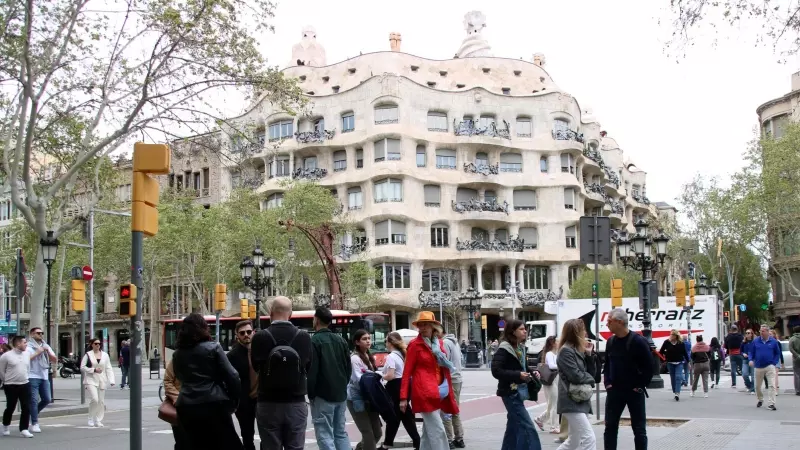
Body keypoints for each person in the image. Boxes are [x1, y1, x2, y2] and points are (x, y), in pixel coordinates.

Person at [173, 313, 243, 449]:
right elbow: (233, 376)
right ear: (203, 328)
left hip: (186, 405)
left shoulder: (177, 354)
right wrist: (233, 401)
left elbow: (179, 376)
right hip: (213, 404)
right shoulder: (213, 348)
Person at [251, 297, 312, 450]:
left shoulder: (260, 337)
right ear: (290, 314)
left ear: (271, 313)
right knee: (295, 446)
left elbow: (256, 366)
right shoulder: (303, 337)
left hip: (268, 402)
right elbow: (308, 366)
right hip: (296, 402)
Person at [400, 311, 458, 450]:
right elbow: (406, 372)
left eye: (426, 324)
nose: (423, 328)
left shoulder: (439, 343)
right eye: (420, 325)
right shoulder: (415, 345)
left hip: (438, 391)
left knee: (428, 431)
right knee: (438, 430)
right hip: (424, 393)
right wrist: (403, 397)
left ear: (433, 326)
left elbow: (444, 366)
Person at [603, 308, 653, 450]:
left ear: (619, 322)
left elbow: (649, 367)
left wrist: (640, 385)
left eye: (609, 321)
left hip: (634, 392)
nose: (607, 324)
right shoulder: (610, 342)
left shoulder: (638, 341)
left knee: (639, 430)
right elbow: (607, 365)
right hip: (614, 392)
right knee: (610, 428)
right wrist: (608, 383)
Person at [491, 319, 543, 450]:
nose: (525, 331)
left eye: (525, 328)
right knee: (527, 427)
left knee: (513, 427)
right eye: (521, 329)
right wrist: (518, 375)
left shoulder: (519, 348)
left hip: (517, 392)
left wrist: (532, 372)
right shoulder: (505, 348)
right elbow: (496, 370)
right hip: (510, 393)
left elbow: (521, 367)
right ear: (512, 332)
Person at [308, 307, 352, 450]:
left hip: (323, 395)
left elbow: (312, 371)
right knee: (340, 433)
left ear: (317, 319)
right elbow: (348, 368)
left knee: (324, 434)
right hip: (340, 394)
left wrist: (311, 393)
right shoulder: (341, 341)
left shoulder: (315, 341)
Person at [556, 319, 598, 450]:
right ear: (576, 333)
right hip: (571, 400)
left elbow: (591, 373)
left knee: (574, 441)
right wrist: (590, 379)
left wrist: (589, 355)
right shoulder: (566, 351)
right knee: (589, 438)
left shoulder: (577, 350)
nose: (586, 333)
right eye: (583, 330)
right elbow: (575, 376)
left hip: (579, 399)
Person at [381, 331, 420, 450]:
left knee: (396, 416)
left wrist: (379, 375)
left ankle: (388, 444)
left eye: (386, 341)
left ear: (390, 342)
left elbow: (391, 375)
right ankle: (416, 442)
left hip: (395, 386)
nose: (386, 343)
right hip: (405, 384)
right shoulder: (402, 354)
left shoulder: (391, 356)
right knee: (403, 416)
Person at [347, 329, 383, 450]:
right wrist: (376, 376)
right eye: (364, 339)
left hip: (370, 397)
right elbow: (358, 379)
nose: (368, 341)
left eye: (368, 338)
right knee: (368, 433)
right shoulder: (354, 358)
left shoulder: (369, 355)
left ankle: (359, 448)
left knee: (378, 433)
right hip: (357, 398)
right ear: (357, 342)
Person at [226, 320, 259, 450]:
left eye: (249, 332)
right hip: (244, 402)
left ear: (253, 332)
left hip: (261, 399)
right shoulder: (232, 356)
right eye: (242, 333)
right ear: (237, 335)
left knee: (267, 434)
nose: (246, 335)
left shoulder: (260, 350)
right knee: (247, 435)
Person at [0, 335, 33, 438]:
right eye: (24, 342)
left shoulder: (27, 354)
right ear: (18, 343)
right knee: (10, 407)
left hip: (25, 384)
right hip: (10, 385)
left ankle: (24, 429)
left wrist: (26, 378)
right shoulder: (6, 356)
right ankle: (5, 425)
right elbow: (1, 371)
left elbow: (28, 368)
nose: (26, 344)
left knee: (26, 407)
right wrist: (6, 381)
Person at [26, 327, 56, 432]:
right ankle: (35, 422)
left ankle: (32, 413)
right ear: (31, 334)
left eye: (42, 333)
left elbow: (54, 360)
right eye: (38, 333)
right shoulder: (28, 347)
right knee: (33, 400)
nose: (40, 335)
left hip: (44, 375)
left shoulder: (45, 346)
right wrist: (37, 352)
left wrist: (48, 352)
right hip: (32, 376)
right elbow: (25, 360)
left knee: (47, 399)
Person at [80, 338, 115, 427]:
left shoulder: (105, 355)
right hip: (90, 379)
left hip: (102, 380)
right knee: (95, 399)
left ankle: (98, 419)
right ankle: (90, 418)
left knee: (101, 401)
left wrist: (112, 380)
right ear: (91, 344)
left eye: (99, 343)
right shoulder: (88, 354)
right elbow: (82, 367)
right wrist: (93, 370)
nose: (98, 345)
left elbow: (108, 368)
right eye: (96, 343)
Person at [749, 324, 781, 410]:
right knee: (757, 386)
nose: (761, 332)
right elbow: (751, 352)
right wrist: (751, 359)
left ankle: (771, 403)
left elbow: (777, 353)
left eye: (763, 331)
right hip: (758, 366)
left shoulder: (773, 342)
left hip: (770, 366)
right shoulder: (756, 341)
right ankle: (760, 399)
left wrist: (774, 363)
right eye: (760, 331)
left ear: (767, 332)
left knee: (772, 385)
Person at [441, 330, 464, 448]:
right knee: (455, 409)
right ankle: (459, 438)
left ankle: (449, 440)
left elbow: (444, 362)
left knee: (446, 410)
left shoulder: (445, 342)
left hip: (450, 379)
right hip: (457, 378)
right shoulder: (455, 342)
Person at [163, 358, 190, 449]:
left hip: (200, 409)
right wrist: (179, 399)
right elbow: (168, 380)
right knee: (181, 442)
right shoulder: (177, 358)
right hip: (180, 409)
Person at [535, 336, 559, 434]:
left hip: (555, 380)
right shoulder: (549, 354)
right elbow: (552, 366)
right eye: (556, 341)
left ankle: (540, 419)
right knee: (554, 404)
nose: (558, 343)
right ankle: (554, 427)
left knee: (552, 404)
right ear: (552, 343)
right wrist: (561, 365)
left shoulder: (555, 354)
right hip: (551, 381)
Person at [659, 329, 688, 401]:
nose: (671, 336)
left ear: (676, 336)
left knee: (678, 377)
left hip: (679, 362)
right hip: (670, 363)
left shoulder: (681, 343)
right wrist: (663, 360)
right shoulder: (666, 342)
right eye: (670, 334)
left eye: (672, 334)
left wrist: (688, 361)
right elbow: (661, 352)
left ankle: (677, 393)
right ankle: (675, 391)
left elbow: (685, 353)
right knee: (673, 378)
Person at [723, 325, 745, 389]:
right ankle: (745, 382)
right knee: (742, 368)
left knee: (733, 369)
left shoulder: (728, 337)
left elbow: (725, 346)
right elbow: (743, 344)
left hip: (732, 354)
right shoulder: (740, 336)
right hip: (739, 353)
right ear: (737, 329)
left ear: (731, 329)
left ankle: (733, 384)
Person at [741, 329, 756, 393]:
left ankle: (753, 389)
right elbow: (740, 351)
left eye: (749, 333)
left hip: (753, 360)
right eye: (746, 333)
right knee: (744, 374)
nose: (747, 334)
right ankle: (749, 386)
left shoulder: (754, 342)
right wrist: (743, 353)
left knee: (753, 375)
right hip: (745, 360)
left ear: (752, 334)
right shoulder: (744, 342)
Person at [769, 329, 784, 394]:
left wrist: (782, 362)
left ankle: (775, 390)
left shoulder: (777, 342)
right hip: (769, 360)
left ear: (774, 335)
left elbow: (780, 353)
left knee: (775, 374)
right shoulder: (766, 342)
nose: (769, 335)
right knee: (771, 375)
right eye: (768, 334)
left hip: (776, 359)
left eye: (770, 334)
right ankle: (773, 387)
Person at [789, 326, 800, 396]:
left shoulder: (792, 339)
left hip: (796, 358)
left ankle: (798, 390)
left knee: (796, 374)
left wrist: (797, 355)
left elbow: (790, 348)